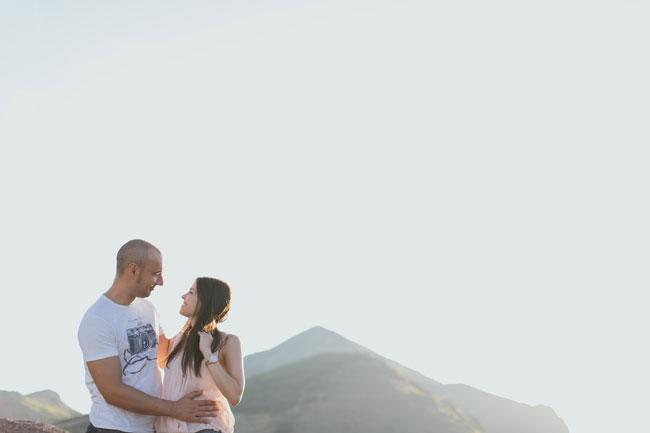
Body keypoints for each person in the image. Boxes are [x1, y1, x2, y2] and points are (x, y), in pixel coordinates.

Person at [78, 239, 220, 433]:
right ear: (133, 270)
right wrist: (175, 409)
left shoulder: (148, 309)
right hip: (113, 429)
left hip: (151, 428)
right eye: (155, 274)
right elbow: (113, 392)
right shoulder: (97, 319)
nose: (161, 282)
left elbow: (164, 356)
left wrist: (202, 319)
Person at [156, 277, 245, 433]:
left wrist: (208, 353)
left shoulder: (227, 341)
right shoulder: (177, 341)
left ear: (204, 300)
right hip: (169, 428)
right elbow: (161, 361)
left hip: (204, 428)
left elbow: (234, 395)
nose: (183, 296)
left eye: (190, 292)